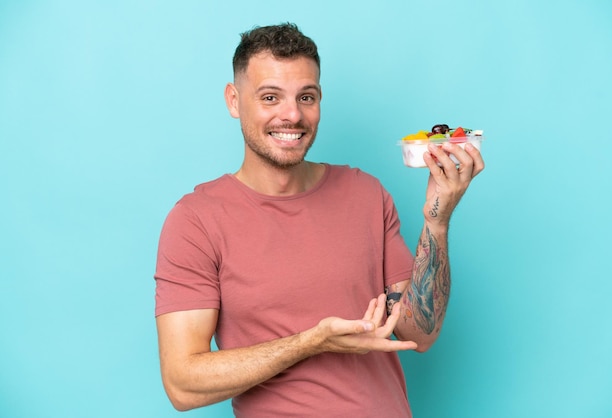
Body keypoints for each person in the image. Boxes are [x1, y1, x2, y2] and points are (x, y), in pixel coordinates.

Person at [154, 23, 484, 417]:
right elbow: (182, 385)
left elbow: (420, 333)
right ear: (233, 100)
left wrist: (438, 219)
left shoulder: (365, 193)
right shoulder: (196, 220)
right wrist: (311, 342)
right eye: (270, 97)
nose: (292, 115)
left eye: (306, 97)